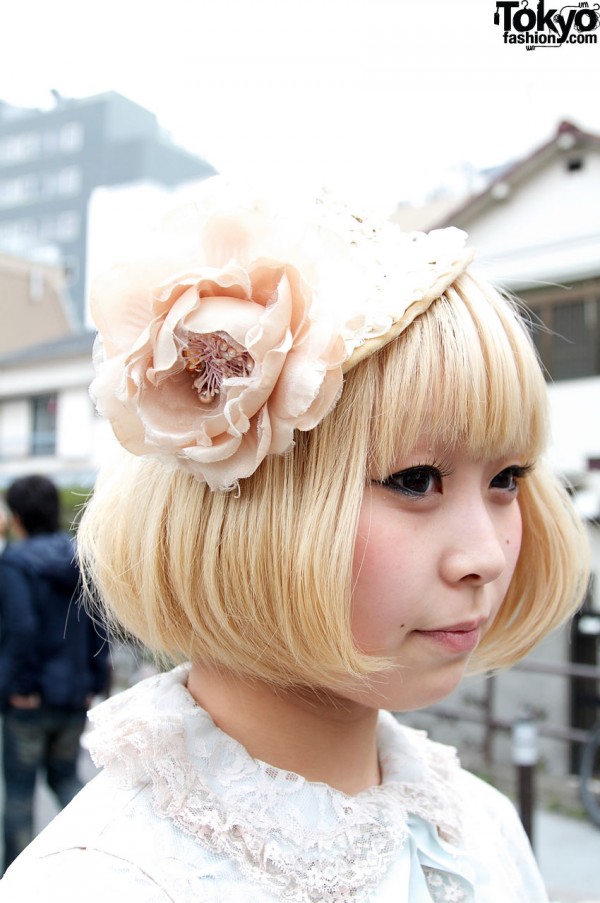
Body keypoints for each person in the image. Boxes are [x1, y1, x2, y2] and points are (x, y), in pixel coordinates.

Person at [0, 178, 588, 901]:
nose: (488, 554)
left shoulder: (484, 827)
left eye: (507, 478)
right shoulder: (102, 879)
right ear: (247, 508)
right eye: (416, 479)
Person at [0, 475, 110, 872]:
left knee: (18, 793)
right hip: (74, 694)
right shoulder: (83, 558)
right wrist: (95, 683)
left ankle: (15, 882)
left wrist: (20, 688)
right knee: (65, 778)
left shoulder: (15, 562)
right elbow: (101, 623)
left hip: (29, 701)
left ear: (16, 516)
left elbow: (22, 628)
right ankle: (100, 860)